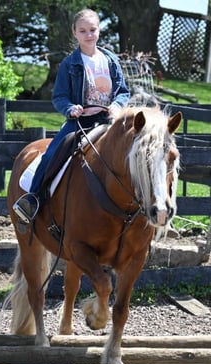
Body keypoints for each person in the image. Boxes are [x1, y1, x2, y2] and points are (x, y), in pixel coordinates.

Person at [12, 8, 131, 230]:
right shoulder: (69, 64)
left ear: (99, 31)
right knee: (52, 153)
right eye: (83, 31)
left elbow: (123, 91)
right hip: (80, 122)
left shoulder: (111, 60)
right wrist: (70, 108)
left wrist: (117, 105)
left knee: (137, 153)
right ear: (74, 33)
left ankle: (146, 207)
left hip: (109, 120)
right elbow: (59, 97)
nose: (88, 35)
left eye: (92, 30)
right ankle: (32, 199)